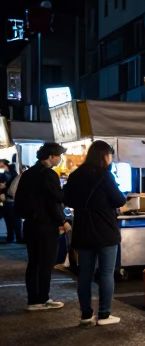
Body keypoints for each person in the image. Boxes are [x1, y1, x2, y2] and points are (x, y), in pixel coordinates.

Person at [63, 140, 129, 327]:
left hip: (83, 228)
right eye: (110, 155)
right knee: (106, 273)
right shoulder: (105, 175)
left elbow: (66, 198)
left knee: (85, 274)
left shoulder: (75, 175)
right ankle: (104, 314)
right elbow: (118, 200)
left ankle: (85, 315)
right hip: (104, 230)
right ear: (104, 156)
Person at [13, 143, 70, 311]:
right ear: (51, 156)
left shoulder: (28, 173)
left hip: (30, 224)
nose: (59, 159)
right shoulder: (48, 174)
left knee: (34, 263)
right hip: (46, 226)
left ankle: (35, 299)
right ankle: (41, 300)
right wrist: (63, 221)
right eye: (58, 156)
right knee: (45, 264)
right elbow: (55, 200)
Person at [5, 164, 24, 243]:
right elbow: (12, 191)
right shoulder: (20, 177)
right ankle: (17, 237)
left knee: (11, 220)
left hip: (10, 201)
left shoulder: (17, 177)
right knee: (15, 221)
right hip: (13, 201)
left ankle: (11, 237)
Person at [0, 159, 18, 243]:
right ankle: (11, 236)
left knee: (12, 219)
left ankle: (14, 237)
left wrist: (5, 186)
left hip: (11, 199)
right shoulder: (5, 173)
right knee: (9, 219)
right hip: (6, 199)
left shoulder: (12, 173)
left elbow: (11, 185)